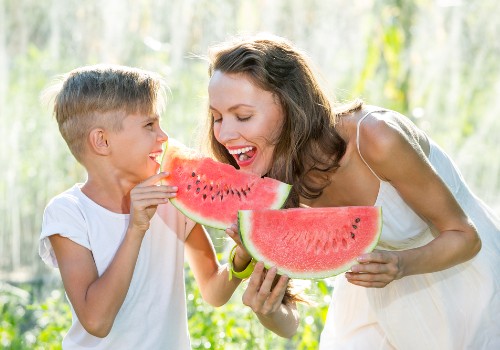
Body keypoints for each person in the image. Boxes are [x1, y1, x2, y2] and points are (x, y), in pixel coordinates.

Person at [205, 34, 500, 349]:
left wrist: (401, 265)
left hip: (466, 283)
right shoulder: (271, 181)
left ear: (291, 105)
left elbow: (466, 237)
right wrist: (268, 309)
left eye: (243, 116)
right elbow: (288, 324)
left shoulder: (376, 138)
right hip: (377, 298)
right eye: (217, 118)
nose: (224, 134)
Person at [38, 64, 295, 349]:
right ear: (102, 141)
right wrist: (136, 228)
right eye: (149, 125)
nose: (164, 137)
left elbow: (212, 291)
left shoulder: (173, 199)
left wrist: (241, 258)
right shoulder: (69, 213)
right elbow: (96, 321)